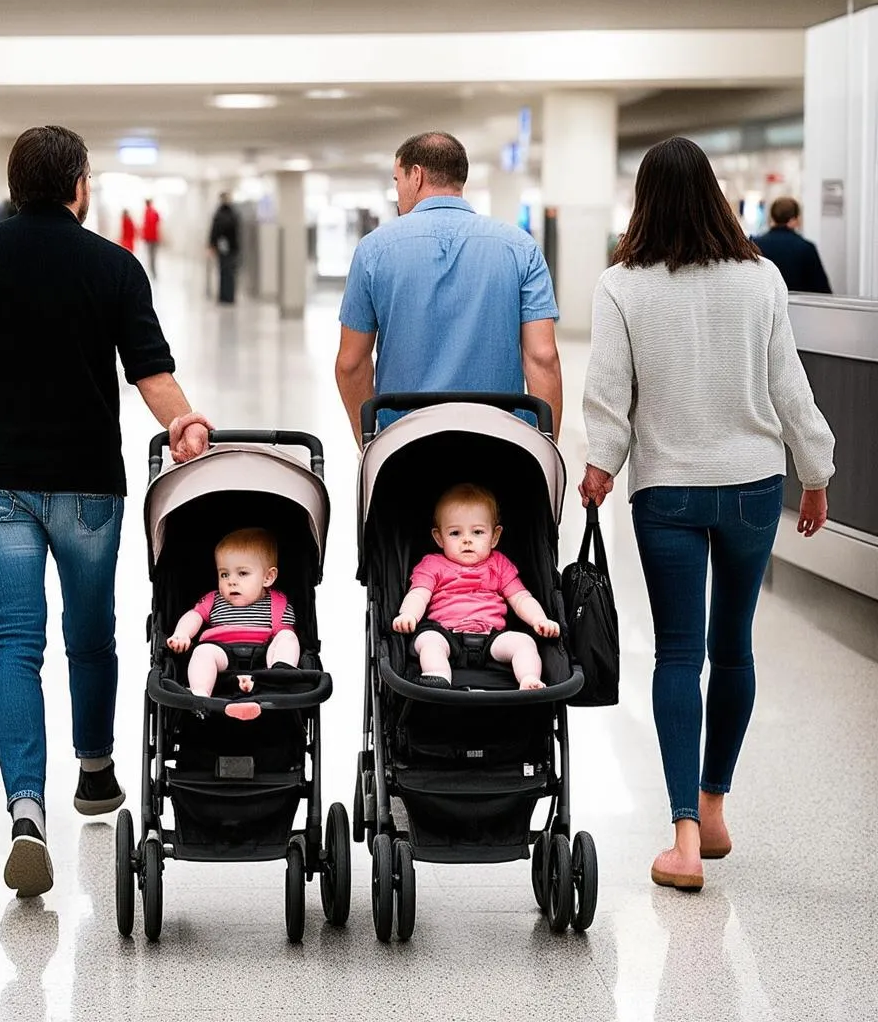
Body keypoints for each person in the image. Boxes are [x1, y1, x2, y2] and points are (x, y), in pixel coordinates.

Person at [0, 125, 213, 899]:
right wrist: (185, 425)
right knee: (89, 634)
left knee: (15, 644)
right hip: (86, 483)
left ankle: (26, 810)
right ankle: (95, 770)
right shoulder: (112, 265)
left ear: (15, 186)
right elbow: (151, 373)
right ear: (79, 185)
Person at [579, 137, 836, 893]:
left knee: (679, 656)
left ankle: (684, 838)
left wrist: (599, 466)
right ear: (717, 194)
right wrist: (815, 473)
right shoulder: (761, 278)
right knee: (735, 650)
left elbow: (609, 395)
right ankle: (716, 804)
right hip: (754, 486)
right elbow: (790, 387)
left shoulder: (621, 283)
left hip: (669, 492)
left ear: (645, 200)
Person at [335, 131, 562, 446]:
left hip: (405, 444)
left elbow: (351, 364)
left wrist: (372, 443)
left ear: (416, 176)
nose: (397, 190)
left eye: (396, 179)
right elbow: (542, 357)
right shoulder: (520, 248)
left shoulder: (374, 250)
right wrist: (543, 452)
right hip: (499, 441)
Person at [393, 484, 560, 690]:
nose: (467, 540)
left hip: (491, 636)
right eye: (455, 533)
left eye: (478, 532)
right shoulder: (432, 564)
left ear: (495, 536)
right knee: (427, 641)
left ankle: (528, 678)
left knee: (524, 643)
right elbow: (419, 594)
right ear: (439, 538)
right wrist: (408, 615)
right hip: (445, 632)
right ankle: (437, 675)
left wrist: (539, 619)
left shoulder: (499, 564)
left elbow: (521, 598)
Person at [167, 528, 300, 721]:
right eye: (224, 575)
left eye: (242, 573)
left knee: (288, 638)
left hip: (264, 661)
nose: (231, 582)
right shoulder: (214, 599)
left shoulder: (278, 603)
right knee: (202, 653)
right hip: (222, 655)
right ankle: (200, 697)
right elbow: (193, 616)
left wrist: (279, 659)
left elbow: (285, 637)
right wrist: (182, 634)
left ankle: (279, 680)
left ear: (268, 577)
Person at [752, 197, 832, 294]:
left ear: (772, 217)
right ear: (795, 219)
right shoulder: (806, 248)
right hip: (798, 307)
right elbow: (822, 290)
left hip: (763, 307)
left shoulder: (755, 245)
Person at [208, 192, 240, 304]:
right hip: (229, 248)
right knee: (227, 272)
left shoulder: (222, 213)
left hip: (227, 248)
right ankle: (227, 296)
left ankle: (226, 296)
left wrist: (212, 244)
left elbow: (215, 230)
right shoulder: (231, 213)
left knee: (226, 272)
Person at [142, 198, 161, 278]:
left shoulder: (147, 212)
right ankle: (153, 272)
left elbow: (146, 226)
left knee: (151, 256)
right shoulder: (154, 212)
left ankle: (152, 272)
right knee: (153, 256)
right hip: (154, 238)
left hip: (149, 238)